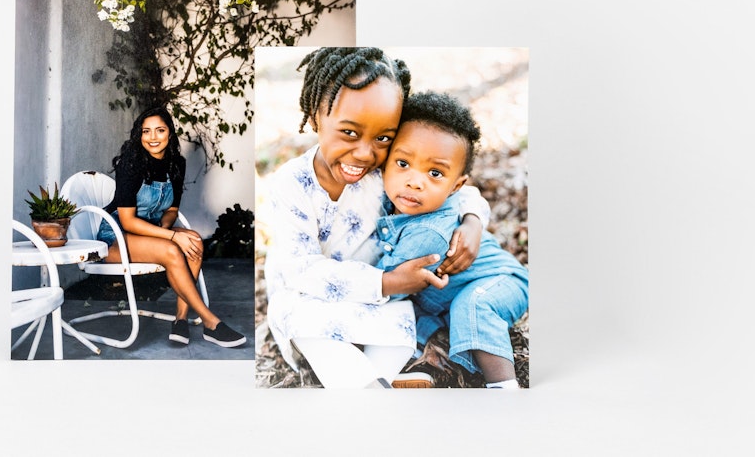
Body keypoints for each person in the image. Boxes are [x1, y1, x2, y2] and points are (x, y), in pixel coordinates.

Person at [260, 47, 490, 388]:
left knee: (399, 324)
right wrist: (388, 283)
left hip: (376, 299)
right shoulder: (291, 184)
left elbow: (450, 186)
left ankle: (381, 379)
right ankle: (367, 389)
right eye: (349, 133)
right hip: (310, 295)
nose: (366, 152)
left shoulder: (380, 169)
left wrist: (473, 220)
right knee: (307, 325)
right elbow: (299, 269)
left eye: (383, 137)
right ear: (314, 118)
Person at [375, 91, 528, 388]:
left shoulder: (430, 233)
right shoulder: (394, 198)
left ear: (456, 186)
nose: (414, 181)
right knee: (417, 314)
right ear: (385, 162)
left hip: (501, 282)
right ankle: (429, 364)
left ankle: (504, 389)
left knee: (472, 307)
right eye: (403, 163)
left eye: (434, 173)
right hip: (443, 296)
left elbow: (386, 285)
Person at [96, 105, 245, 347]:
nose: (153, 137)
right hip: (115, 237)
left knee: (194, 241)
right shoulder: (130, 164)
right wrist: (170, 237)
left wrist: (167, 230)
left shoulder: (176, 163)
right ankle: (210, 322)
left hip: (148, 230)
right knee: (173, 249)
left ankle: (181, 320)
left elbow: (172, 210)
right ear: (139, 135)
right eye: (146, 131)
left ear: (170, 133)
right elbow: (128, 221)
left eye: (159, 130)